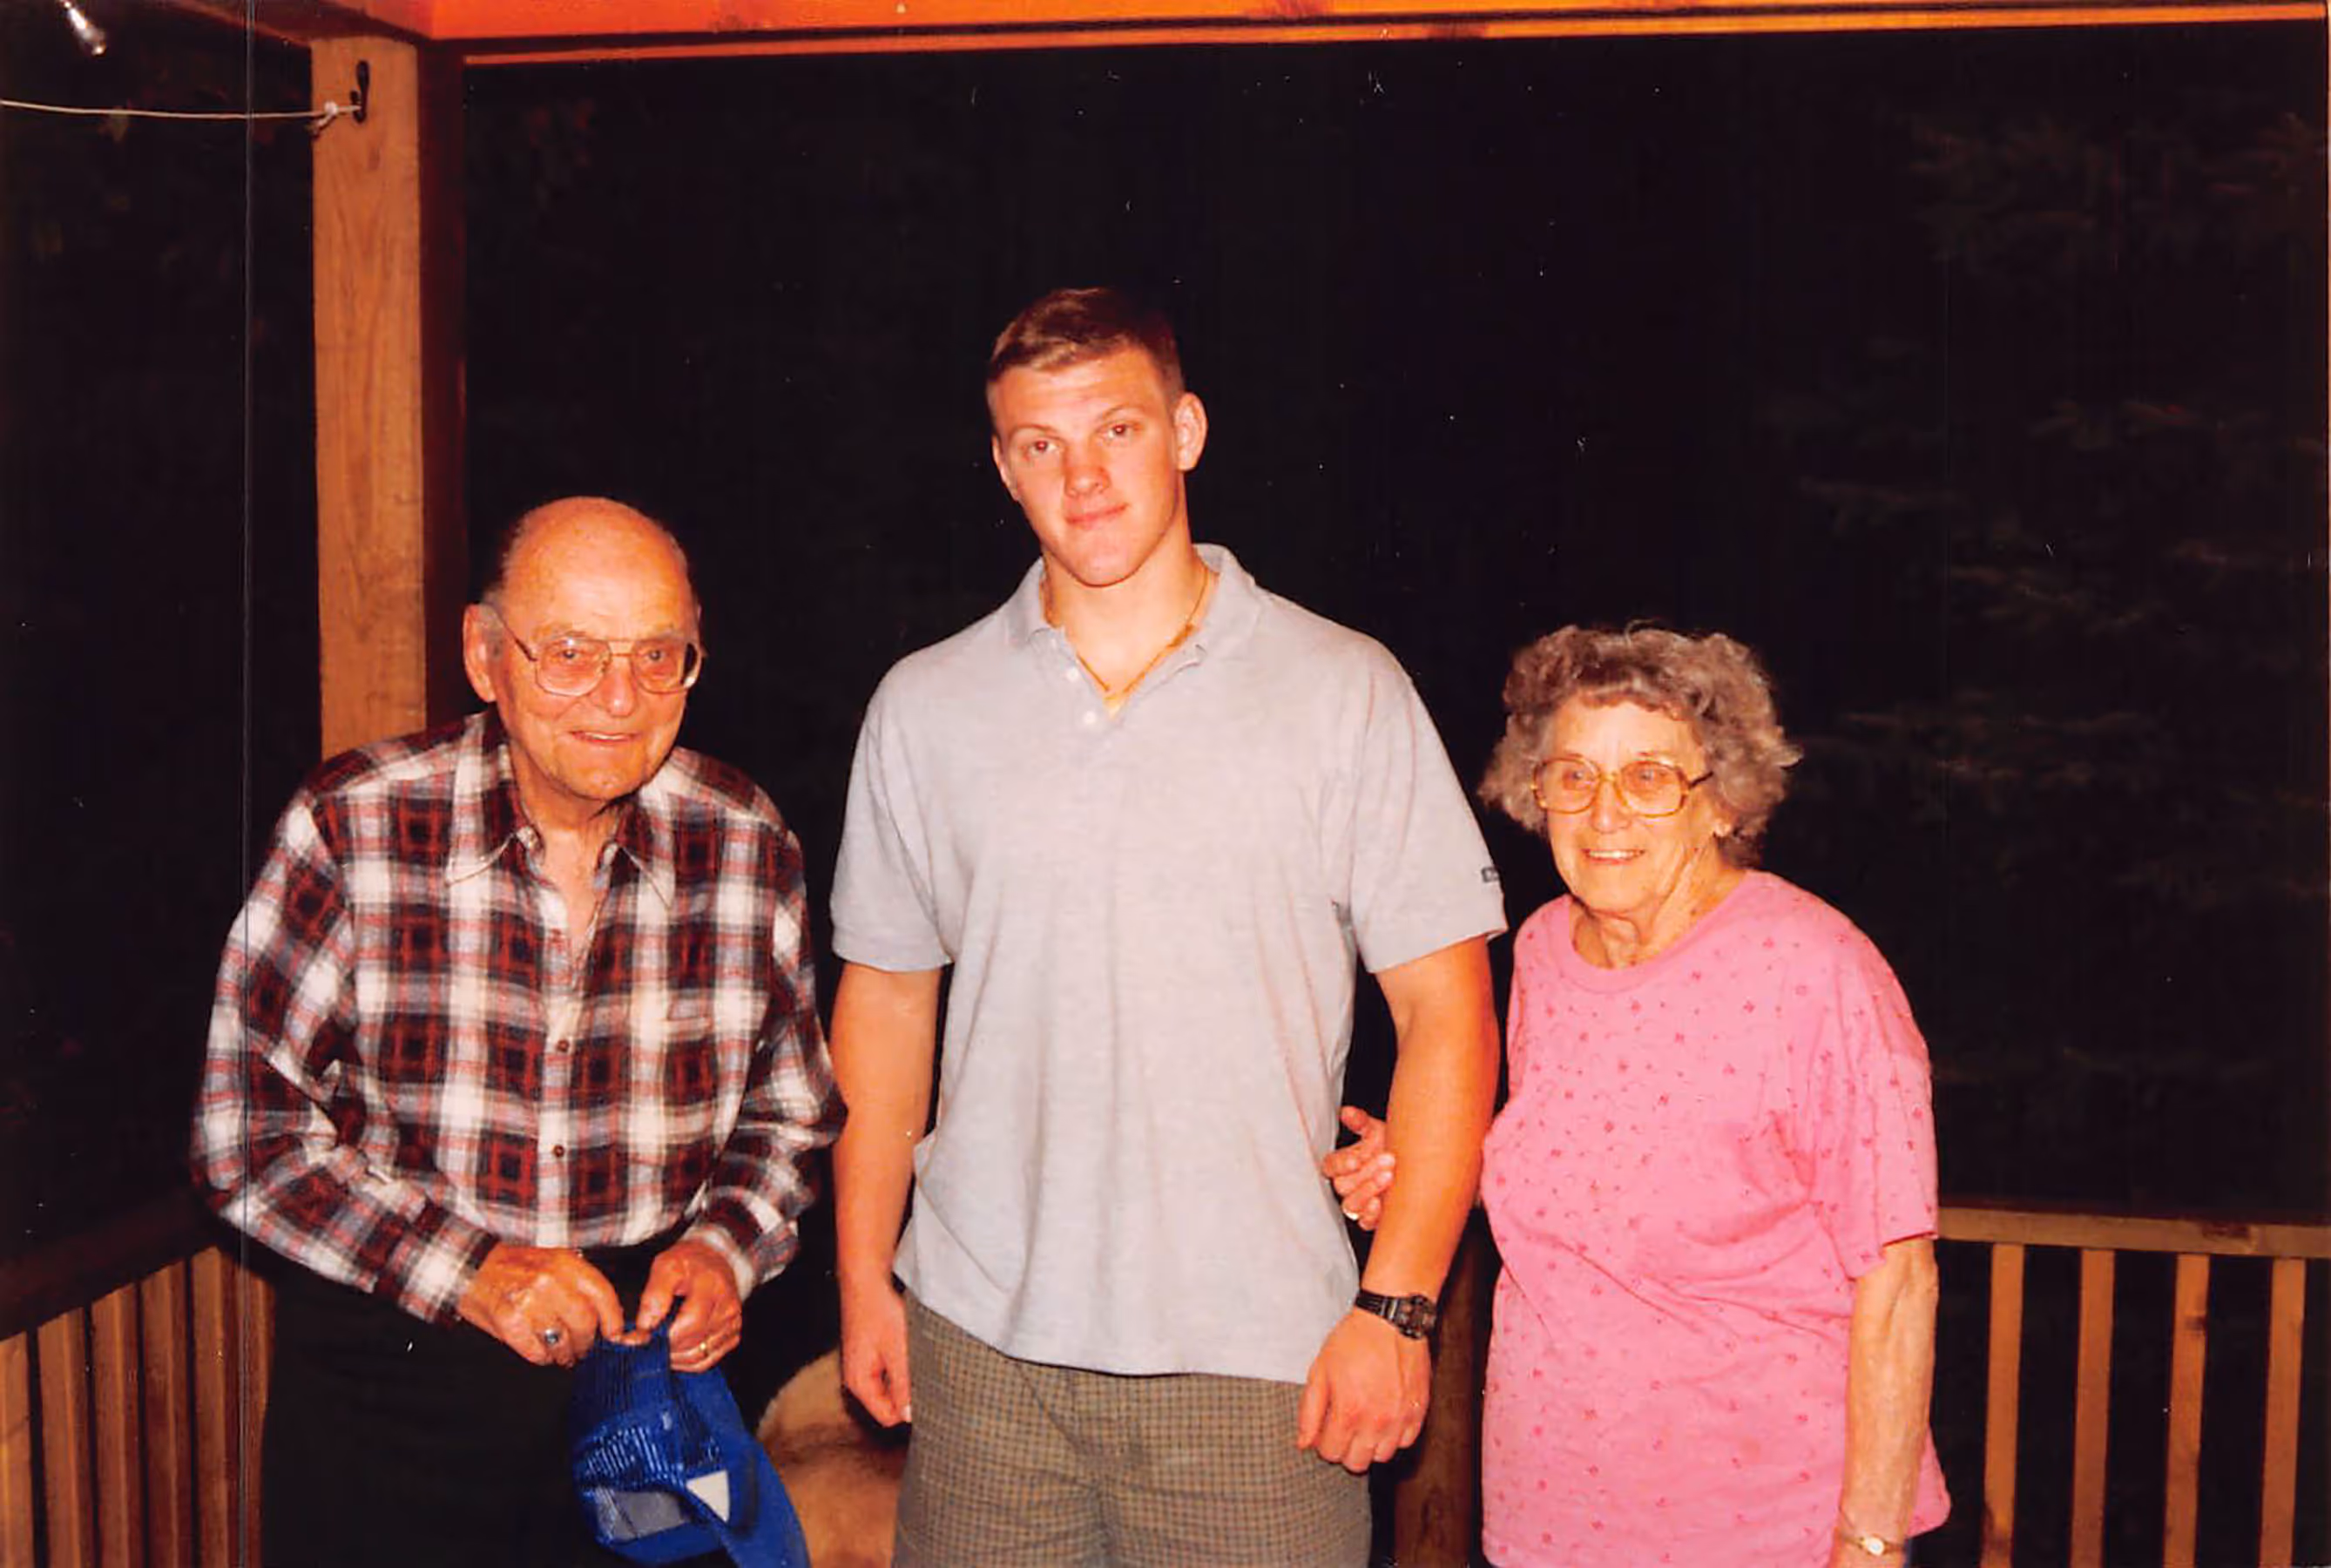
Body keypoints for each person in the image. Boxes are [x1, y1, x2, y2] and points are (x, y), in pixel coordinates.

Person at [828, 286, 1506, 1566]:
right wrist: (865, 1276)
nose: (1082, 480)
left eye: (1118, 431)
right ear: (1001, 467)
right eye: (1041, 445)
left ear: (1186, 431)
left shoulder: (1343, 690)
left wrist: (1400, 1307)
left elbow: (1448, 1014)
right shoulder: (926, 705)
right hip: (981, 1354)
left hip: (1263, 1369)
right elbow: (887, 1010)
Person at [190, 497, 842, 1568]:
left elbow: (790, 1118)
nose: (618, 698)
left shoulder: (744, 841)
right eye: (571, 653)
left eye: (656, 655)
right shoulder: (355, 825)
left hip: (639, 1391)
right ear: (485, 655)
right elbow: (242, 1136)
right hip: (397, 1374)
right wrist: (473, 1271)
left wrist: (725, 1248)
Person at [1328, 625, 1949, 1566]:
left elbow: (1899, 1279)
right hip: (1552, 1522)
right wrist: (1416, 1167)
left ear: (1722, 801)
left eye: (1650, 778)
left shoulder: (1815, 970)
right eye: (1573, 775)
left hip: (1769, 1527)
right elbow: (1588, 1168)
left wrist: (1867, 1542)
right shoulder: (1543, 950)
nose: (1605, 812)